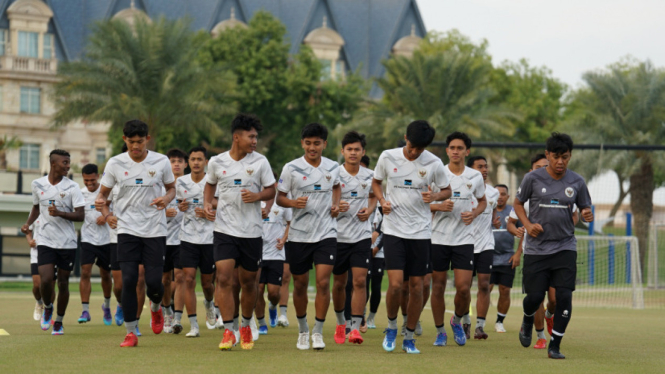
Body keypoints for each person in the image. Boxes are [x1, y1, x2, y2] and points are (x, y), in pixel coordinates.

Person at [96, 119, 177, 347]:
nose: (135, 147)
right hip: (127, 229)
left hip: (155, 230)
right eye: (131, 142)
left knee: (153, 282)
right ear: (125, 140)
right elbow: (102, 197)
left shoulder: (161, 161)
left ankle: (156, 307)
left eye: (140, 142)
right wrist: (107, 212)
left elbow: (172, 188)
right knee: (129, 280)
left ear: (147, 139)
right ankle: (131, 332)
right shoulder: (114, 163)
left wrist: (166, 199)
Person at [372, 120, 450, 354]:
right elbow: (376, 182)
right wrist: (383, 201)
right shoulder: (387, 156)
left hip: (420, 233)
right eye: (412, 146)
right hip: (394, 230)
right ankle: (392, 327)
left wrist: (434, 196)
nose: (415, 152)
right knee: (396, 285)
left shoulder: (434, 163)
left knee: (417, 287)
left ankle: (409, 337)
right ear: (405, 137)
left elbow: (447, 191)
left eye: (420, 148)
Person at [514, 132, 593, 359]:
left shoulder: (577, 181)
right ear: (547, 155)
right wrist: (528, 225)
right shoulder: (533, 178)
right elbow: (518, 203)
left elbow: (584, 208)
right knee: (535, 298)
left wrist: (587, 213)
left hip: (565, 247)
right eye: (556, 156)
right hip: (537, 249)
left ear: (570, 156)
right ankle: (528, 318)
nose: (560, 162)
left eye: (565, 157)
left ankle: (555, 346)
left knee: (563, 298)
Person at [204, 114, 276, 351]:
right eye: (251, 136)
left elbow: (271, 191)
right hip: (224, 230)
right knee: (223, 277)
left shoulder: (261, 162)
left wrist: (258, 197)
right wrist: (207, 204)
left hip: (252, 232)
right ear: (237, 137)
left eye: (256, 136)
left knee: (248, 281)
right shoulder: (216, 162)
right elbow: (210, 184)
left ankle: (245, 325)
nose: (255, 141)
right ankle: (228, 330)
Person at [277, 122, 342, 351]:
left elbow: (336, 187)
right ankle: (303, 329)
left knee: (324, 281)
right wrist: (294, 203)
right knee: (300, 284)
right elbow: (280, 198)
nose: (312, 148)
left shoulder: (334, 167)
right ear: (302, 143)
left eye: (317, 143)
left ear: (324, 144)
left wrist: (335, 205)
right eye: (308, 143)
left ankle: (318, 332)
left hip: (326, 233)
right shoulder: (291, 168)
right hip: (298, 236)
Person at [508, 153, 579, 349]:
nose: (542, 169)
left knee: (556, 298)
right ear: (531, 170)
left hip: (561, 250)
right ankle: (537, 332)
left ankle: (550, 318)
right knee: (536, 297)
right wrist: (523, 233)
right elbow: (512, 223)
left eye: (544, 166)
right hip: (535, 252)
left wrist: (567, 226)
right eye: (538, 166)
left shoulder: (565, 187)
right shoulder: (527, 194)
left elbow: (575, 215)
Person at [430, 132, 486, 347]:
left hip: (464, 239)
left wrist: (474, 213)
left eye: (460, 148)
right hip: (439, 239)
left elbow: (481, 201)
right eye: (452, 147)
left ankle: (457, 320)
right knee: (438, 287)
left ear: (467, 151)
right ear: (447, 151)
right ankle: (440, 331)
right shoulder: (437, 174)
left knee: (463, 288)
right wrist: (438, 206)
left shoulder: (475, 176)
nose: (455, 151)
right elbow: (423, 203)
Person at [21, 149, 85, 335]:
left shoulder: (72, 187)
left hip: (67, 243)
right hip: (45, 240)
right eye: (65, 162)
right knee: (46, 280)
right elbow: (36, 207)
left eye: (68, 162)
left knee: (63, 283)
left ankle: (58, 321)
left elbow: (80, 215)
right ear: (53, 164)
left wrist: (60, 213)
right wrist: (28, 224)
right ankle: (48, 306)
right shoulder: (37, 184)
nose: (68, 166)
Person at [331, 131, 376, 345]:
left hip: (361, 237)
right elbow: (325, 203)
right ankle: (342, 323)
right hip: (337, 237)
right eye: (349, 149)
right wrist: (336, 207)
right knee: (339, 283)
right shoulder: (334, 174)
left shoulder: (371, 175)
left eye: (357, 149)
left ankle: (355, 328)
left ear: (363, 152)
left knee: (359, 281)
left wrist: (369, 210)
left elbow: (375, 196)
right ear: (342, 152)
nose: (353, 153)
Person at [175, 146, 217, 338]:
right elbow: (178, 205)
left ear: (206, 162)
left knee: (207, 283)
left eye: (200, 159)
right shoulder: (181, 182)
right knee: (188, 279)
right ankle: (194, 325)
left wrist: (211, 215)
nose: (196, 162)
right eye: (192, 159)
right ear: (188, 162)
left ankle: (209, 303)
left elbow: (223, 208)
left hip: (209, 238)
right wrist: (181, 207)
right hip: (187, 237)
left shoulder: (213, 182)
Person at [467, 156, 500, 340]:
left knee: (484, 284)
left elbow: (494, 214)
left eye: (486, 166)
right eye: (480, 167)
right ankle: (464, 321)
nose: (485, 170)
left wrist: (495, 221)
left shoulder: (493, 193)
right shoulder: (463, 189)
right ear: (471, 170)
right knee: (464, 288)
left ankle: (479, 326)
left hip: (486, 244)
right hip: (464, 243)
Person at [78, 164, 113, 326]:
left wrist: (106, 216)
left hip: (106, 240)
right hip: (87, 240)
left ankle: (106, 305)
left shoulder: (107, 192)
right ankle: (85, 309)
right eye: (86, 180)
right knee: (85, 272)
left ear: (98, 176)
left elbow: (118, 210)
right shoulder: (79, 194)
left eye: (92, 180)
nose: (89, 183)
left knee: (106, 275)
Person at [256, 175, 291, 335]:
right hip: (257, 253)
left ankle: (272, 307)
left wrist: (284, 239)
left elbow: (290, 222)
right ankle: (262, 323)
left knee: (273, 292)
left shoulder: (281, 202)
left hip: (276, 253)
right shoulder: (254, 201)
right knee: (258, 289)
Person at [488, 184, 520, 334]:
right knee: (485, 289)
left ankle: (499, 322)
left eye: (503, 194)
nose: (500, 196)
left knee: (505, 290)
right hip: (487, 256)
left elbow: (523, 233)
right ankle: (480, 321)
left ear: (508, 197)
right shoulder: (486, 209)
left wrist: (518, 253)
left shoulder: (513, 213)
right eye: (497, 193)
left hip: (507, 258)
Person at [163, 148, 187, 334]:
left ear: (185, 164)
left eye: (180, 161)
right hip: (162, 239)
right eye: (173, 161)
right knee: (164, 280)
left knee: (180, 277)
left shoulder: (191, 184)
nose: (176, 164)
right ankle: (166, 312)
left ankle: (177, 318)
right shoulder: (161, 185)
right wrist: (164, 213)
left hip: (184, 240)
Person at [26, 218, 55, 321]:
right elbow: (27, 230)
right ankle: (39, 302)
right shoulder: (35, 212)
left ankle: (47, 314)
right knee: (37, 284)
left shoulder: (56, 210)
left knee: (50, 285)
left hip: (53, 251)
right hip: (37, 253)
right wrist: (30, 241)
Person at [365, 206, 385, 329]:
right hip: (364, 251)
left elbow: (386, 230)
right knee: (363, 284)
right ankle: (360, 314)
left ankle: (371, 317)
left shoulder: (382, 207)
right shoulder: (364, 204)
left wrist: (377, 248)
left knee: (376, 286)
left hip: (380, 253)